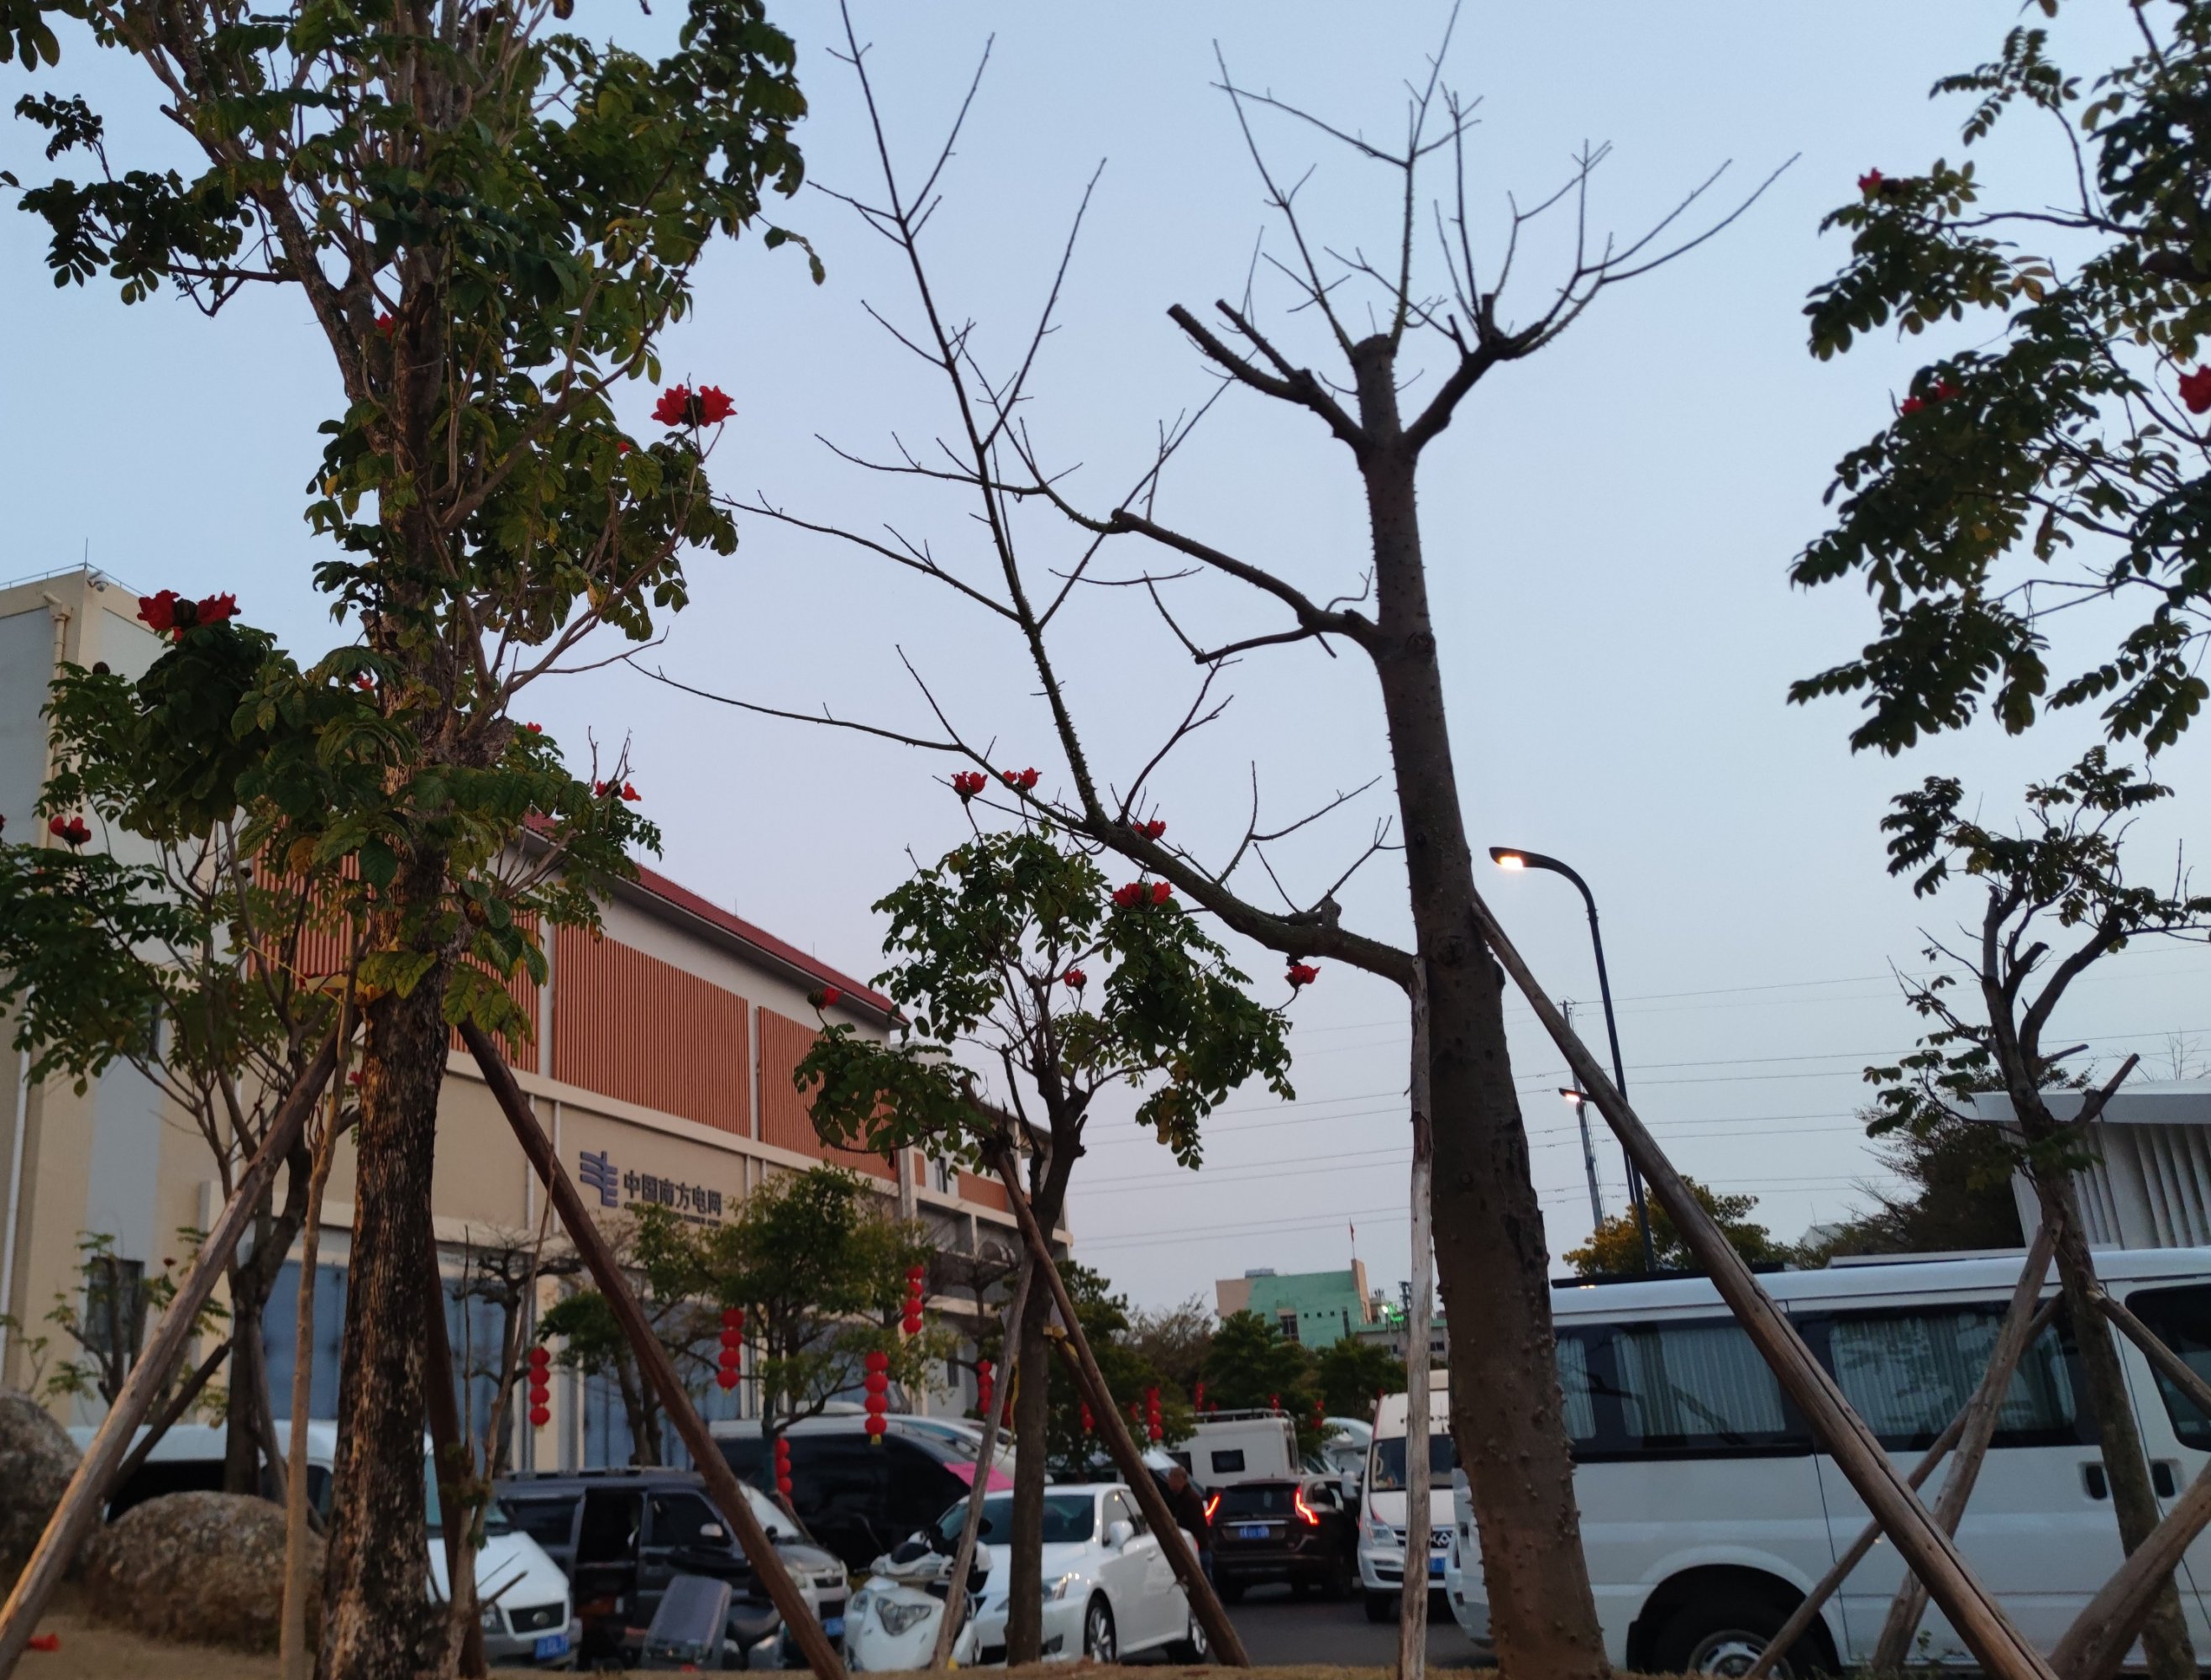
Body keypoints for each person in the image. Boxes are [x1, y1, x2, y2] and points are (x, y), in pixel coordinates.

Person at [1163, 1463, 1212, 1583]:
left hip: (1197, 1550)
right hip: (1198, 1549)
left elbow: (1196, 1527)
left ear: (1180, 1480)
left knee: (1204, 1584)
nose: (1168, 1482)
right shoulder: (1185, 1497)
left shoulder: (1189, 1499)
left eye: (1171, 1479)